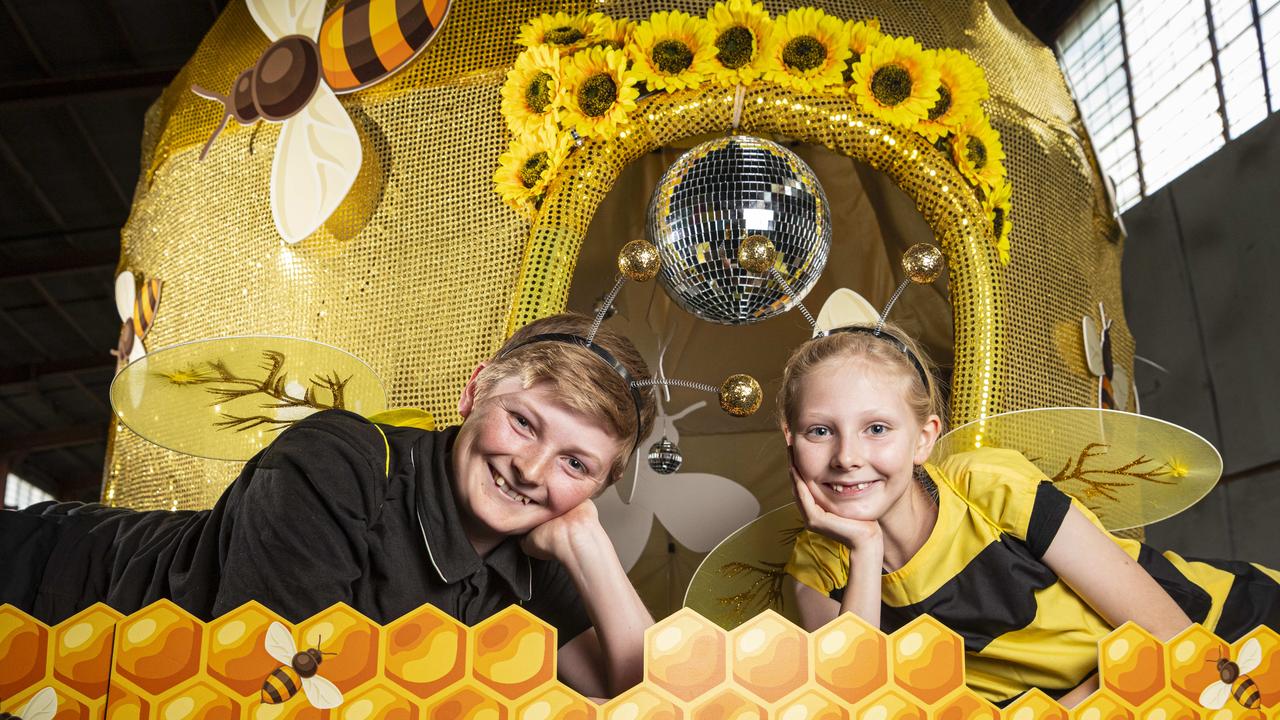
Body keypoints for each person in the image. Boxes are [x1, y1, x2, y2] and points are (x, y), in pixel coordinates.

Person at [0, 312, 656, 698]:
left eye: (577, 464)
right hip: (46, 591)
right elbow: (276, 687)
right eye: (523, 423)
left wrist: (591, 550)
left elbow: (647, 702)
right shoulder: (340, 464)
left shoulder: (544, 549)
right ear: (475, 391)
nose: (532, 470)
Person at [778, 324, 1280, 707]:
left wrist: (1060, 713)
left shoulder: (986, 485)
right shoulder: (815, 569)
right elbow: (857, 703)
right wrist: (864, 550)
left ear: (924, 438)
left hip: (1228, 638)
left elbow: (1167, 632)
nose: (846, 456)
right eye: (820, 431)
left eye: (877, 428)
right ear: (791, 440)